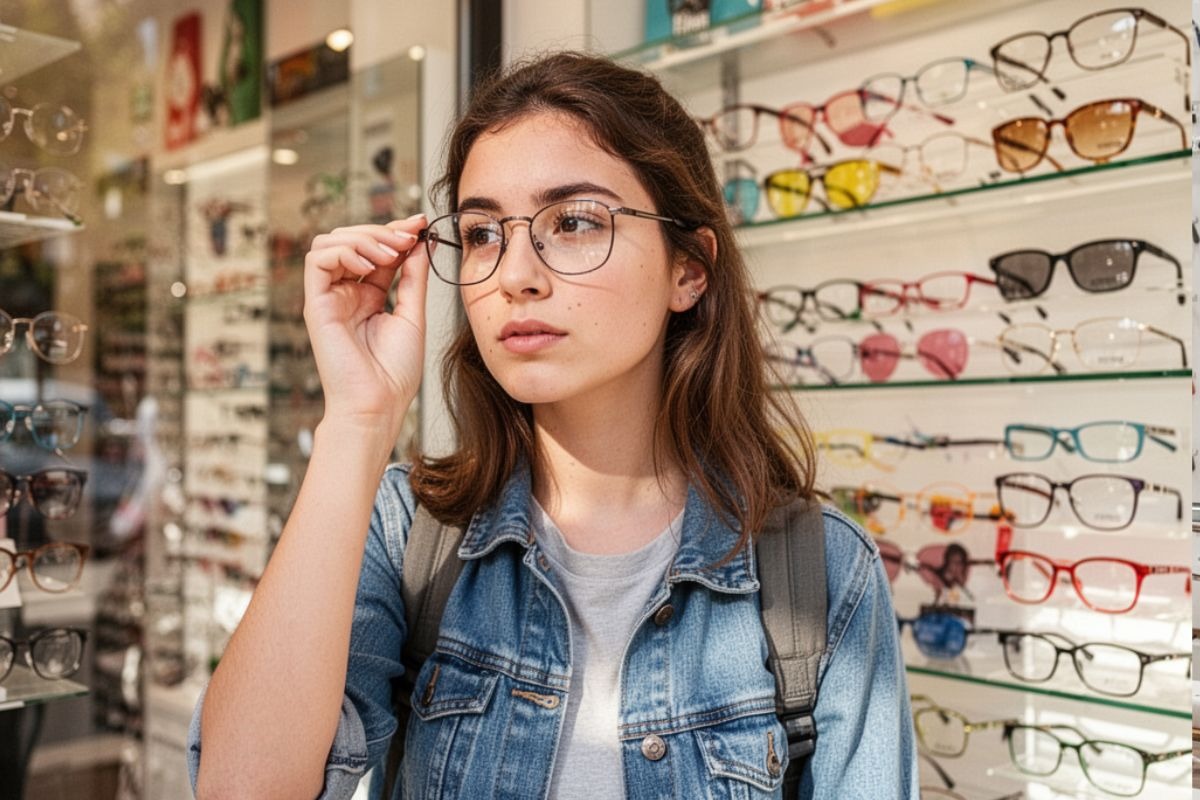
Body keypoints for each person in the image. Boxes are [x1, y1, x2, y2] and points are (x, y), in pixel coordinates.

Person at [188, 51, 917, 799]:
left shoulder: (822, 573)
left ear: (689, 269)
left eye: (572, 222)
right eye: (481, 233)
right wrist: (357, 420)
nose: (514, 275)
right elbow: (242, 788)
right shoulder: (413, 532)